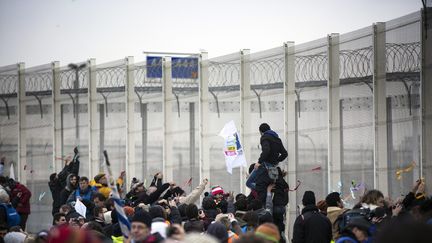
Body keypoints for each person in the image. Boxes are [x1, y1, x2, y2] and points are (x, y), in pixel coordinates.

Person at [255, 123, 288, 205]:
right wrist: (277, 160)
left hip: (266, 166)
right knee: (274, 186)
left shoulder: (264, 137)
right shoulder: (277, 139)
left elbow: (266, 150)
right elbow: (285, 154)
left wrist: (259, 162)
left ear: (261, 132)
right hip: (274, 168)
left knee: (250, 183)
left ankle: (262, 207)